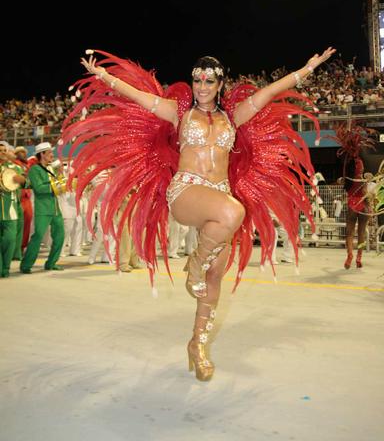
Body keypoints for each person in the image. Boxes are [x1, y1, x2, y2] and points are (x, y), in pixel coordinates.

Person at [62, 45, 335, 381]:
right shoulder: (179, 113)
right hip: (186, 191)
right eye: (197, 80)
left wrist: (306, 69)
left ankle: (198, 344)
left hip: (219, 197)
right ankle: (194, 262)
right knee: (234, 213)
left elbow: (267, 93)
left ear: (220, 84)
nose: (202, 86)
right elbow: (139, 97)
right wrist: (104, 76)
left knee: (214, 278)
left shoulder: (233, 117)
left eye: (209, 81)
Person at [332, 123, 377, 269]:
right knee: (361, 232)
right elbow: (368, 178)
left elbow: (343, 181)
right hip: (363, 202)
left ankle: (349, 255)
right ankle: (359, 257)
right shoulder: (363, 166)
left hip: (352, 203)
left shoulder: (348, 168)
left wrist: (341, 180)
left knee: (350, 233)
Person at [20, 142, 65, 273]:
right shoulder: (35, 170)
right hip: (43, 209)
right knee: (38, 236)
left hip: (56, 208)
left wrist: (61, 175)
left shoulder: (52, 168)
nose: (52, 155)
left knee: (60, 237)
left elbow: (60, 184)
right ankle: (26, 265)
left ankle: (51, 263)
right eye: (49, 152)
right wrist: (56, 186)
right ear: (42, 154)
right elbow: (39, 188)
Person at [0, 142, 26, 277]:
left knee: (10, 239)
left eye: (5, 150)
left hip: (10, 209)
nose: (3, 152)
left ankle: (6, 267)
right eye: (0, 150)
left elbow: (27, 183)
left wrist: (22, 179)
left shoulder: (15, 168)